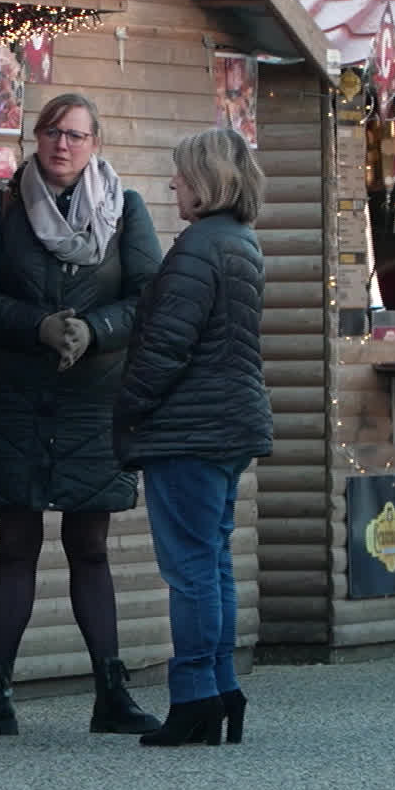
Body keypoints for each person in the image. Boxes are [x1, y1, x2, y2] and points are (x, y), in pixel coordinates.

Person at [0, 92, 163, 738]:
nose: (62, 144)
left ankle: (111, 693)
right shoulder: (3, 207)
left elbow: (148, 298)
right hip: (13, 398)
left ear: (95, 144)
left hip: (95, 399)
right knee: (15, 546)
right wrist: (37, 325)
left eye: (75, 135)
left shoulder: (124, 208)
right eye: (51, 132)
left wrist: (94, 330)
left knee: (89, 547)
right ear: (35, 139)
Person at [115, 127, 273, 748]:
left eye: (180, 174)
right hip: (230, 424)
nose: (172, 184)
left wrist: (128, 411)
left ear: (205, 180)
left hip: (189, 429)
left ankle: (194, 697)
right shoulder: (241, 242)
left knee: (190, 571)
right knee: (213, 563)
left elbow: (164, 349)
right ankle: (222, 688)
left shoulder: (197, 249)